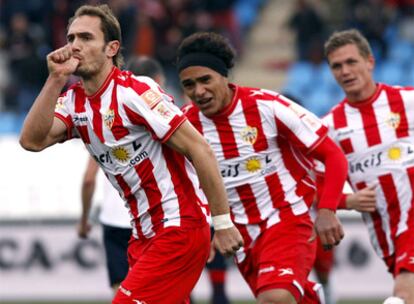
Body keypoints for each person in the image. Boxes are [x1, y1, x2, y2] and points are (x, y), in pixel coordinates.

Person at [19, 5, 244, 304]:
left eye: (86, 37)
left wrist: (223, 222)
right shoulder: (73, 101)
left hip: (178, 227)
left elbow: (199, 148)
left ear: (111, 48)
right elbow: (32, 141)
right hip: (142, 234)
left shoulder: (135, 92)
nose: (75, 46)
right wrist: (55, 79)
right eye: (71, 37)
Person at [176, 31, 347, 304]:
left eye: (206, 80)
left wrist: (327, 209)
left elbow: (333, 154)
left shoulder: (267, 106)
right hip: (239, 239)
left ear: (224, 75)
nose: (199, 91)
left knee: (275, 298)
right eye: (189, 84)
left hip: (286, 220)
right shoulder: (184, 127)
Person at [322, 29, 414, 303]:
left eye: (351, 62)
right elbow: (309, 185)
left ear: (370, 62)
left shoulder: (407, 101)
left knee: (404, 292)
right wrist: (346, 200)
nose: (345, 71)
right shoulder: (330, 128)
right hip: (385, 229)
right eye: (337, 66)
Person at [77, 55, 167, 295]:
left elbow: (88, 179)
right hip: (154, 217)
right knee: (165, 291)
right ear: (158, 80)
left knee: (123, 292)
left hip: (115, 221)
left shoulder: (102, 130)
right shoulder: (159, 122)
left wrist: (85, 219)